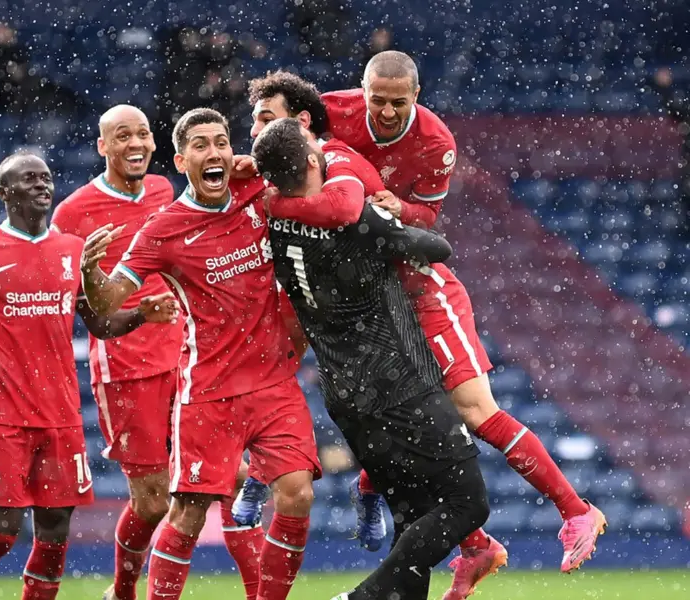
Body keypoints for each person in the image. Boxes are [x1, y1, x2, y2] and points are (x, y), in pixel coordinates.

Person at [241, 64, 607, 595]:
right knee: (398, 417)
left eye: (397, 103)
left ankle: (575, 510)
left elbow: (421, 224)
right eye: (376, 101)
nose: (385, 112)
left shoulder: (412, 146)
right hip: (380, 300)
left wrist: (396, 210)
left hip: (421, 285)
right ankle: (463, 540)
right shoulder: (319, 130)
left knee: (472, 410)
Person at [0, 152, 179, 600]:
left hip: (61, 416)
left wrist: (141, 316)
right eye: (29, 179)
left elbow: (98, 324)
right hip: (3, 414)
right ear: (4, 193)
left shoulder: (72, 251)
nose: (42, 185)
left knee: (54, 535)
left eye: (47, 178)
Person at [82, 108, 320, 600]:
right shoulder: (163, 229)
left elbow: (317, 167)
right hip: (210, 390)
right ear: (180, 160)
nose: (213, 153)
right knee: (187, 513)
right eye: (200, 145)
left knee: (297, 494)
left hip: (275, 380)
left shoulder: (257, 191)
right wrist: (89, 271)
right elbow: (105, 303)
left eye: (221, 142)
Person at [254, 116, 490, 600]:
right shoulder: (355, 218)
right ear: (314, 160)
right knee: (467, 506)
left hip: (347, 399)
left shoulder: (271, 220)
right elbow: (437, 246)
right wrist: (387, 211)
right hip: (399, 384)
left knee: (411, 518)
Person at [51, 105, 266, 600]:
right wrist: (137, 312)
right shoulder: (73, 214)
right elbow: (91, 317)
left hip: (190, 363)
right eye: (121, 136)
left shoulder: (164, 191)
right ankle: (124, 591)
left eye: (142, 134)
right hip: (127, 371)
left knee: (232, 480)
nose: (134, 144)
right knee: (150, 503)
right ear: (102, 146)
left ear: (155, 144)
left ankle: (262, 594)